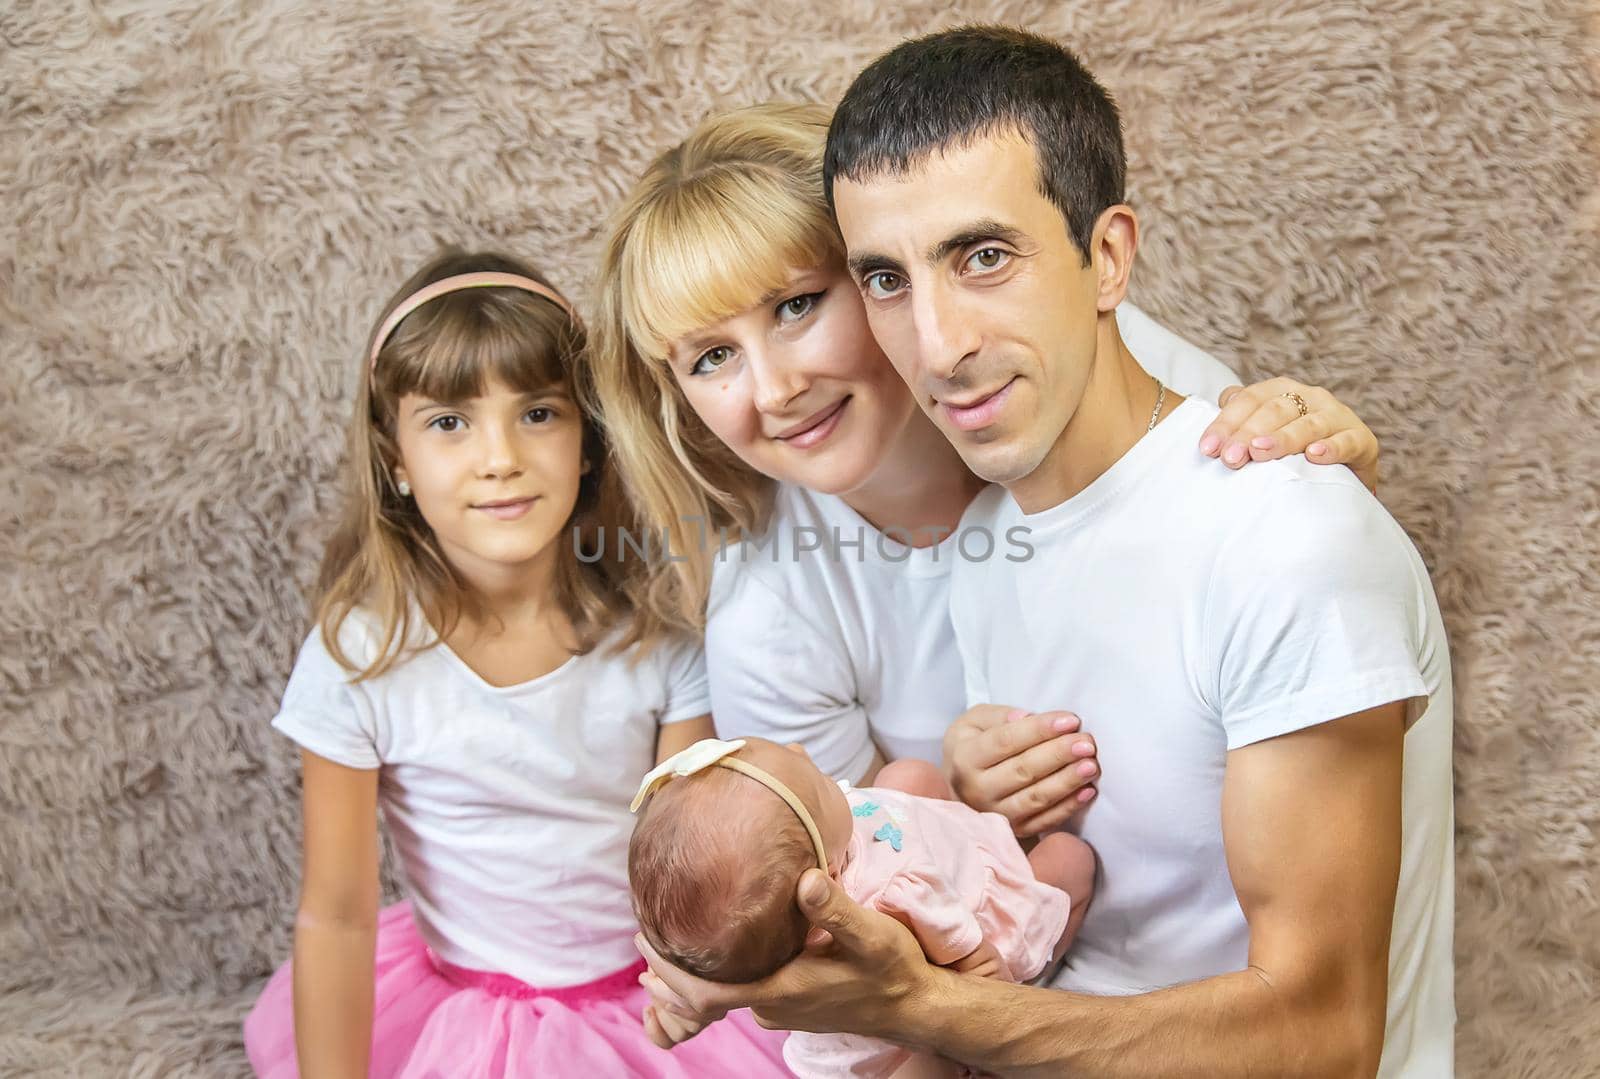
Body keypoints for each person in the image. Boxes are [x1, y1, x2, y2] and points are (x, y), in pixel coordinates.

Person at [638, 26, 1455, 1078]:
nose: (940, 341)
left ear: (1108, 256)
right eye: (886, 277)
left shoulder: (1281, 527)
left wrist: (921, 1002)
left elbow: (1320, 1036)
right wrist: (966, 815)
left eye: (984, 256)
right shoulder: (988, 535)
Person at [588, 103, 1382, 819]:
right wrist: (960, 802)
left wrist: (1325, 481)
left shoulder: (1093, 360)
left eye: (797, 306)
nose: (775, 389)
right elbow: (875, 915)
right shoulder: (769, 613)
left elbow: (1290, 592)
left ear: (885, 275)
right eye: (711, 357)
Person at [241, 249, 789, 1077]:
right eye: (449, 422)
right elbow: (339, 915)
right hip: (457, 1005)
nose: (499, 456)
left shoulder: (659, 636)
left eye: (538, 414)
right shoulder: (361, 654)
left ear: (588, 441)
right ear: (394, 457)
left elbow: (694, 879)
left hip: (649, 999)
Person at [629, 737, 1092, 1079]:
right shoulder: (897, 896)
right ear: (828, 877)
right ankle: (1039, 960)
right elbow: (964, 954)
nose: (801, 750)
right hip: (956, 940)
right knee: (1071, 859)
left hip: (919, 840)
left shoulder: (766, 912)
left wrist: (680, 1013)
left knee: (907, 776)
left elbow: (707, 975)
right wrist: (984, 982)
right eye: (817, 783)